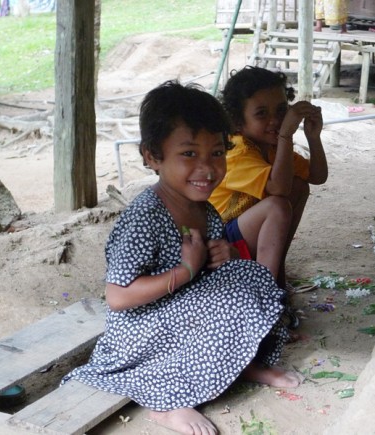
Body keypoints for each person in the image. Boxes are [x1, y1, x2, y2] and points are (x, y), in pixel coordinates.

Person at [62, 80, 302, 435]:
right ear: (151, 157)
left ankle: (243, 364)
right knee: (228, 297)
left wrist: (224, 256)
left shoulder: (203, 209)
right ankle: (166, 405)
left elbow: (214, 271)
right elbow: (118, 298)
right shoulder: (145, 217)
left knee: (249, 276)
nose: (207, 168)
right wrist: (186, 270)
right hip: (140, 331)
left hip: (181, 312)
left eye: (216, 153)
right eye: (189, 154)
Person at [209, 66, 328, 291]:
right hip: (220, 245)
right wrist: (286, 135)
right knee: (277, 206)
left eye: (281, 110)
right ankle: (266, 292)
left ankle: (275, 271)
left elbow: (317, 176)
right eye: (261, 113)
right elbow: (278, 189)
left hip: (245, 234)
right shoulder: (237, 151)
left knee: (299, 186)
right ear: (237, 122)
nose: (275, 120)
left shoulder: (271, 148)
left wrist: (314, 137)